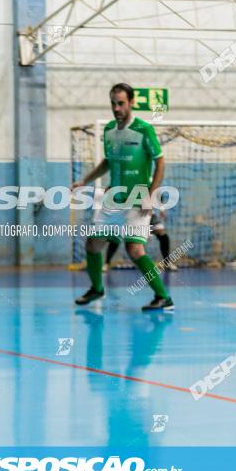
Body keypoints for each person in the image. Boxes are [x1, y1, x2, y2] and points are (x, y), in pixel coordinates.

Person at [73, 83, 174, 311]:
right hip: (114, 198)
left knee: (135, 250)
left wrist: (150, 195)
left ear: (131, 103)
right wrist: (85, 181)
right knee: (92, 243)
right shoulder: (109, 130)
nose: (116, 108)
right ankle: (97, 289)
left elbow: (160, 161)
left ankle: (163, 297)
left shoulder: (143, 129)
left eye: (121, 103)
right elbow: (108, 162)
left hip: (138, 199)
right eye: (113, 103)